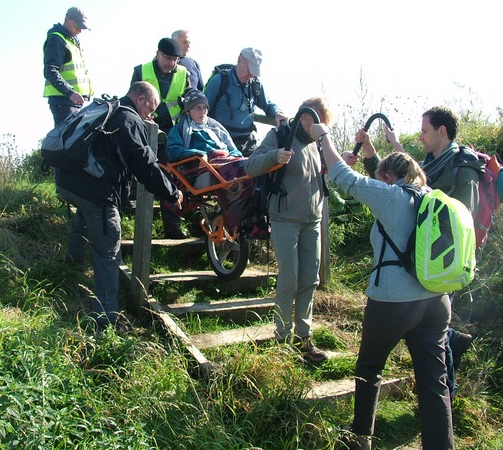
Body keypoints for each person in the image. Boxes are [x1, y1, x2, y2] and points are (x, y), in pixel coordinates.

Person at [311, 125, 455, 450]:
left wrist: (324, 138)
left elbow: (345, 178)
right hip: (436, 301)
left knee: (370, 367)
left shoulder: (390, 197)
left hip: (393, 303)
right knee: (434, 381)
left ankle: (361, 438)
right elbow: (385, 171)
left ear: (388, 178)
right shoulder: (429, 195)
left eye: (380, 176)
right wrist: (374, 147)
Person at [352, 107, 478, 399]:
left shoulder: (461, 167)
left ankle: (449, 397)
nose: (420, 137)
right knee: (435, 336)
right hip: (419, 263)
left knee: (436, 345)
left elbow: (462, 219)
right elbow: (397, 190)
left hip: (442, 263)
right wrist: (372, 151)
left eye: (424, 131)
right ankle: (447, 372)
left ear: (441, 131)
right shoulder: (434, 163)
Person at [55, 81, 183, 329]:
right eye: (151, 108)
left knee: (84, 213)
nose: (151, 115)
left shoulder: (106, 109)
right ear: (141, 98)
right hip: (96, 191)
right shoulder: (128, 118)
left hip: (67, 181)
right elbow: (144, 163)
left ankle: (71, 266)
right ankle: (106, 318)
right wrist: (171, 192)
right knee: (108, 251)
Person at [245, 97, 332, 364]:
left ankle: (303, 337)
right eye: (318, 123)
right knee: (290, 277)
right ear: (306, 117)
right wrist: (275, 156)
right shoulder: (281, 134)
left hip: (312, 220)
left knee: (310, 279)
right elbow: (250, 165)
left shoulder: (316, 142)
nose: (320, 129)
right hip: (284, 219)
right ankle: (282, 337)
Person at [167, 88, 252, 230]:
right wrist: (195, 153)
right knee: (240, 166)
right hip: (204, 166)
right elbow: (173, 151)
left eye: (205, 108)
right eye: (198, 108)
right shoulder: (179, 129)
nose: (203, 112)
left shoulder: (216, 127)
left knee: (252, 164)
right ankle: (237, 219)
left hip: (227, 160)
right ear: (188, 110)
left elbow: (234, 149)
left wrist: (235, 155)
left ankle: (250, 217)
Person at [131, 37, 191, 239]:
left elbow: (190, 100)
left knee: (172, 177)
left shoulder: (184, 74)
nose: (171, 63)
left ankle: (173, 228)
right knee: (139, 168)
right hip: (145, 129)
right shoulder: (141, 70)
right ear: (157, 54)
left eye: (175, 59)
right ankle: (131, 219)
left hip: (172, 135)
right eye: (167, 57)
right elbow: (132, 100)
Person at [204, 48, 287, 156]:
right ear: (239, 60)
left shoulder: (255, 84)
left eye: (255, 71)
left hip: (248, 142)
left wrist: (276, 113)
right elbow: (201, 109)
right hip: (222, 142)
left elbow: (268, 104)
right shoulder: (219, 81)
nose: (252, 75)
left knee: (261, 168)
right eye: (250, 69)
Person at [43, 6, 93, 126]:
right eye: (77, 26)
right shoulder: (57, 40)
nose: (80, 31)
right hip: (63, 101)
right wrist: (69, 92)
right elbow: (50, 70)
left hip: (73, 102)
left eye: (82, 28)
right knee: (68, 142)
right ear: (67, 20)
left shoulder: (72, 41)